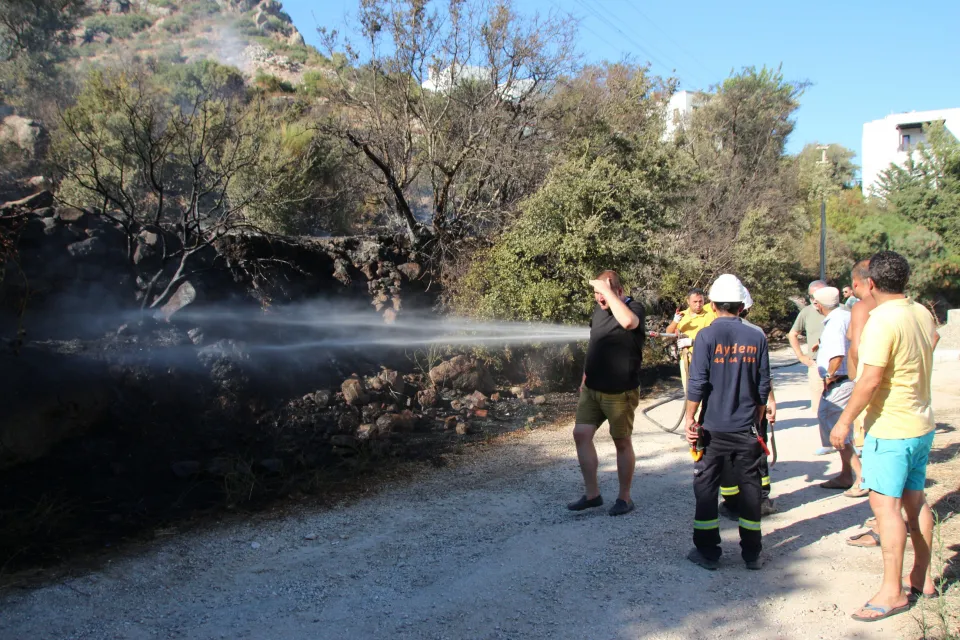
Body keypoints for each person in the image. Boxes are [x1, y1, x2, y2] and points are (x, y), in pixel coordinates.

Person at [829, 251, 940, 622]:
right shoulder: (920, 312)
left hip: (891, 429)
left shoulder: (881, 320)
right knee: (916, 501)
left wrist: (844, 422)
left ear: (872, 283)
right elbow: (932, 340)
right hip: (920, 425)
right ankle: (921, 577)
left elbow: (870, 379)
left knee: (886, 508)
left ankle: (892, 591)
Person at [685, 274, 771, 571]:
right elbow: (763, 386)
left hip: (713, 429)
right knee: (750, 487)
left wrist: (690, 418)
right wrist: (756, 419)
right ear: (741, 305)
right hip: (746, 429)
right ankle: (752, 553)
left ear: (712, 305)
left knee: (706, 487)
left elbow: (697, 382)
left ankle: (708, 552)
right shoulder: (757, 336)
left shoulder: (706, 336)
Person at [568, 270, 645, 516]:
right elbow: (595, 344)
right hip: (592, 389)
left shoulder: (634, 308)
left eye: (604, 293)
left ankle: (625, 498)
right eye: (596, 294)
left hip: (619, 392)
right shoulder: (598, 311)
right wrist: (584, 377)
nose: (600, 298)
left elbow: (629, 323)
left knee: (621, 442)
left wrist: (608, 294)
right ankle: (593, 495)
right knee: (581, 434)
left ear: (619, 291)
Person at [719, 286, 777, 517]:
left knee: (727, 456)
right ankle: (760, 500)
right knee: (756, 453)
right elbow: (764, 375)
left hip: (724, 409)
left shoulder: (711, 332)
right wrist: (770, 401)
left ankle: (734, 503)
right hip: (752, 406)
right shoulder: (756, 333)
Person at [809, 286, 862, 492]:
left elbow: (838, 354)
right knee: (841, 429)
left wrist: (829, 376)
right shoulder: (844, 315)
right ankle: (846, 475)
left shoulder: (834, 323)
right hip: (847, 380)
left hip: (839, 381)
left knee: (837, 430)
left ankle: (861, 477)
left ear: (818, 305)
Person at [788, 280, 831, 455]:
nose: (814, 299)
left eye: (818, 295)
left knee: (844, 404)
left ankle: (850, 443)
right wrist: (801, 356)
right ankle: (827, 442)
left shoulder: (842, 310)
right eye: (811, 296)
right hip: (816, 364)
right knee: (820, 406)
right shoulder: (806, 312)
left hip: (840, 364)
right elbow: (793, 334)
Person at [665, 288, 717, 393]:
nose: (698, 305)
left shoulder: (710, 315)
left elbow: (714, 338)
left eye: (701, 301)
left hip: (706, 359)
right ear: (688, 301)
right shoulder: (682, 315)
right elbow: (667, 334)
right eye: (695, 302)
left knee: (706, 391)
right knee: (690, 392)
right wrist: (675, 321)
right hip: (687, 360)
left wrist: (692, 342)